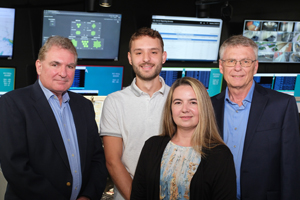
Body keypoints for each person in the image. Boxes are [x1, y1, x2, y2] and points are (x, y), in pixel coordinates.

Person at [0, 36, 107, 200]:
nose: (63, 73)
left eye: (70, 66)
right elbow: (16, 168)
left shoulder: (84, 106)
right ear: (39, 66)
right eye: (55, 64)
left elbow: (97, 159)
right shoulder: (13, 103)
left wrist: (88, 196)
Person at [211, 35, 300, 200]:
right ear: (221, 66)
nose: (238, 68)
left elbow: (291, 168)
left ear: (255, 66)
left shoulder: (282, 105)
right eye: (231, 61)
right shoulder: (208, 107)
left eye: (245, 62)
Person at [131, 77, 236, 200]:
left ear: (204, 107)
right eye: (178, 102)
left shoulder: (220, 155)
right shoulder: (152, 146)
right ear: (170, 108)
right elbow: (138, 195)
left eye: (193, 102)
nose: (185, 109)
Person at [100, 27, 170, 200]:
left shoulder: (178, 99)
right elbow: (112, 161)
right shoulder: (114, 102)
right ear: (130, 58)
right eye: (139, 53)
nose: (146, 59)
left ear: (163, 56)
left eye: (153, 52)